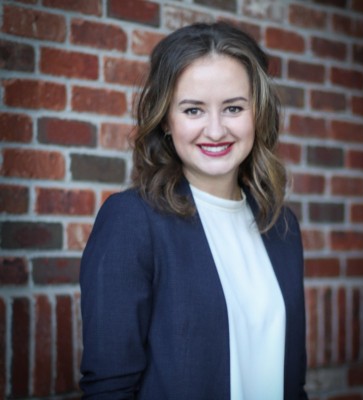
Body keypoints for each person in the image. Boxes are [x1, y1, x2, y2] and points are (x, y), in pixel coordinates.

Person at [79, 22, 308, 400]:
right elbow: (110, 389)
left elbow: (293, 383)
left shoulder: (281, 226)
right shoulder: (132, 221)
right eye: (193, 110)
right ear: (166, 121)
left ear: (258, 114)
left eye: (233, 107)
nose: (215, 131)